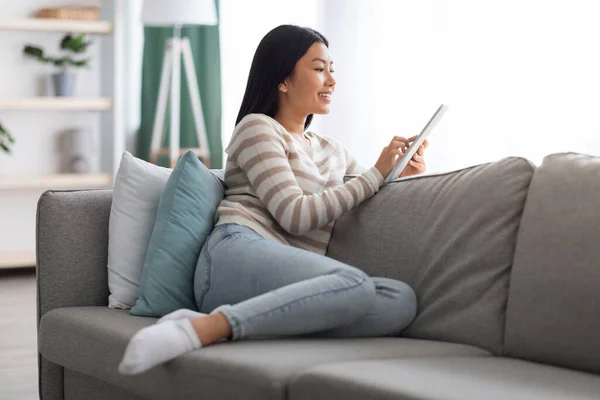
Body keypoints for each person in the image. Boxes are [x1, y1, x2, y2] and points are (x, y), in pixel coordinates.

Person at [118, 24, 428, 375]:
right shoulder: (257, 129)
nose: (331, 80)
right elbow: (294, 215)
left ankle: (268, 322)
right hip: (235, 254)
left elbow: (364, 191)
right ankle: (202, 327)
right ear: (283, 80)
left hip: (289, 278)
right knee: (354, 284)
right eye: (318, 69)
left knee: (398, 299)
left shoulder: (333, 151)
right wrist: (376, 172)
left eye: (332, 70)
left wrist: (398, 175)